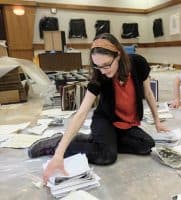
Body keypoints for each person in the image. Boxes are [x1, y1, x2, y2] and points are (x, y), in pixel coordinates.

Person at [28, 33, 169, 182]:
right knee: (107, 155)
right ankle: (56, 143)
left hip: (126, 123)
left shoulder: (138, 63)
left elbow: (148, 93)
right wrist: (59, 154)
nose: (103, 70)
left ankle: (100, 141)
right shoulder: (99, 77)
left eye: (107, 65)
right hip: (105, 120)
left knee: (146, 145)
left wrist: (157, 121)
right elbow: (81, 113)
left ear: (118, 55)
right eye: (98, 66)